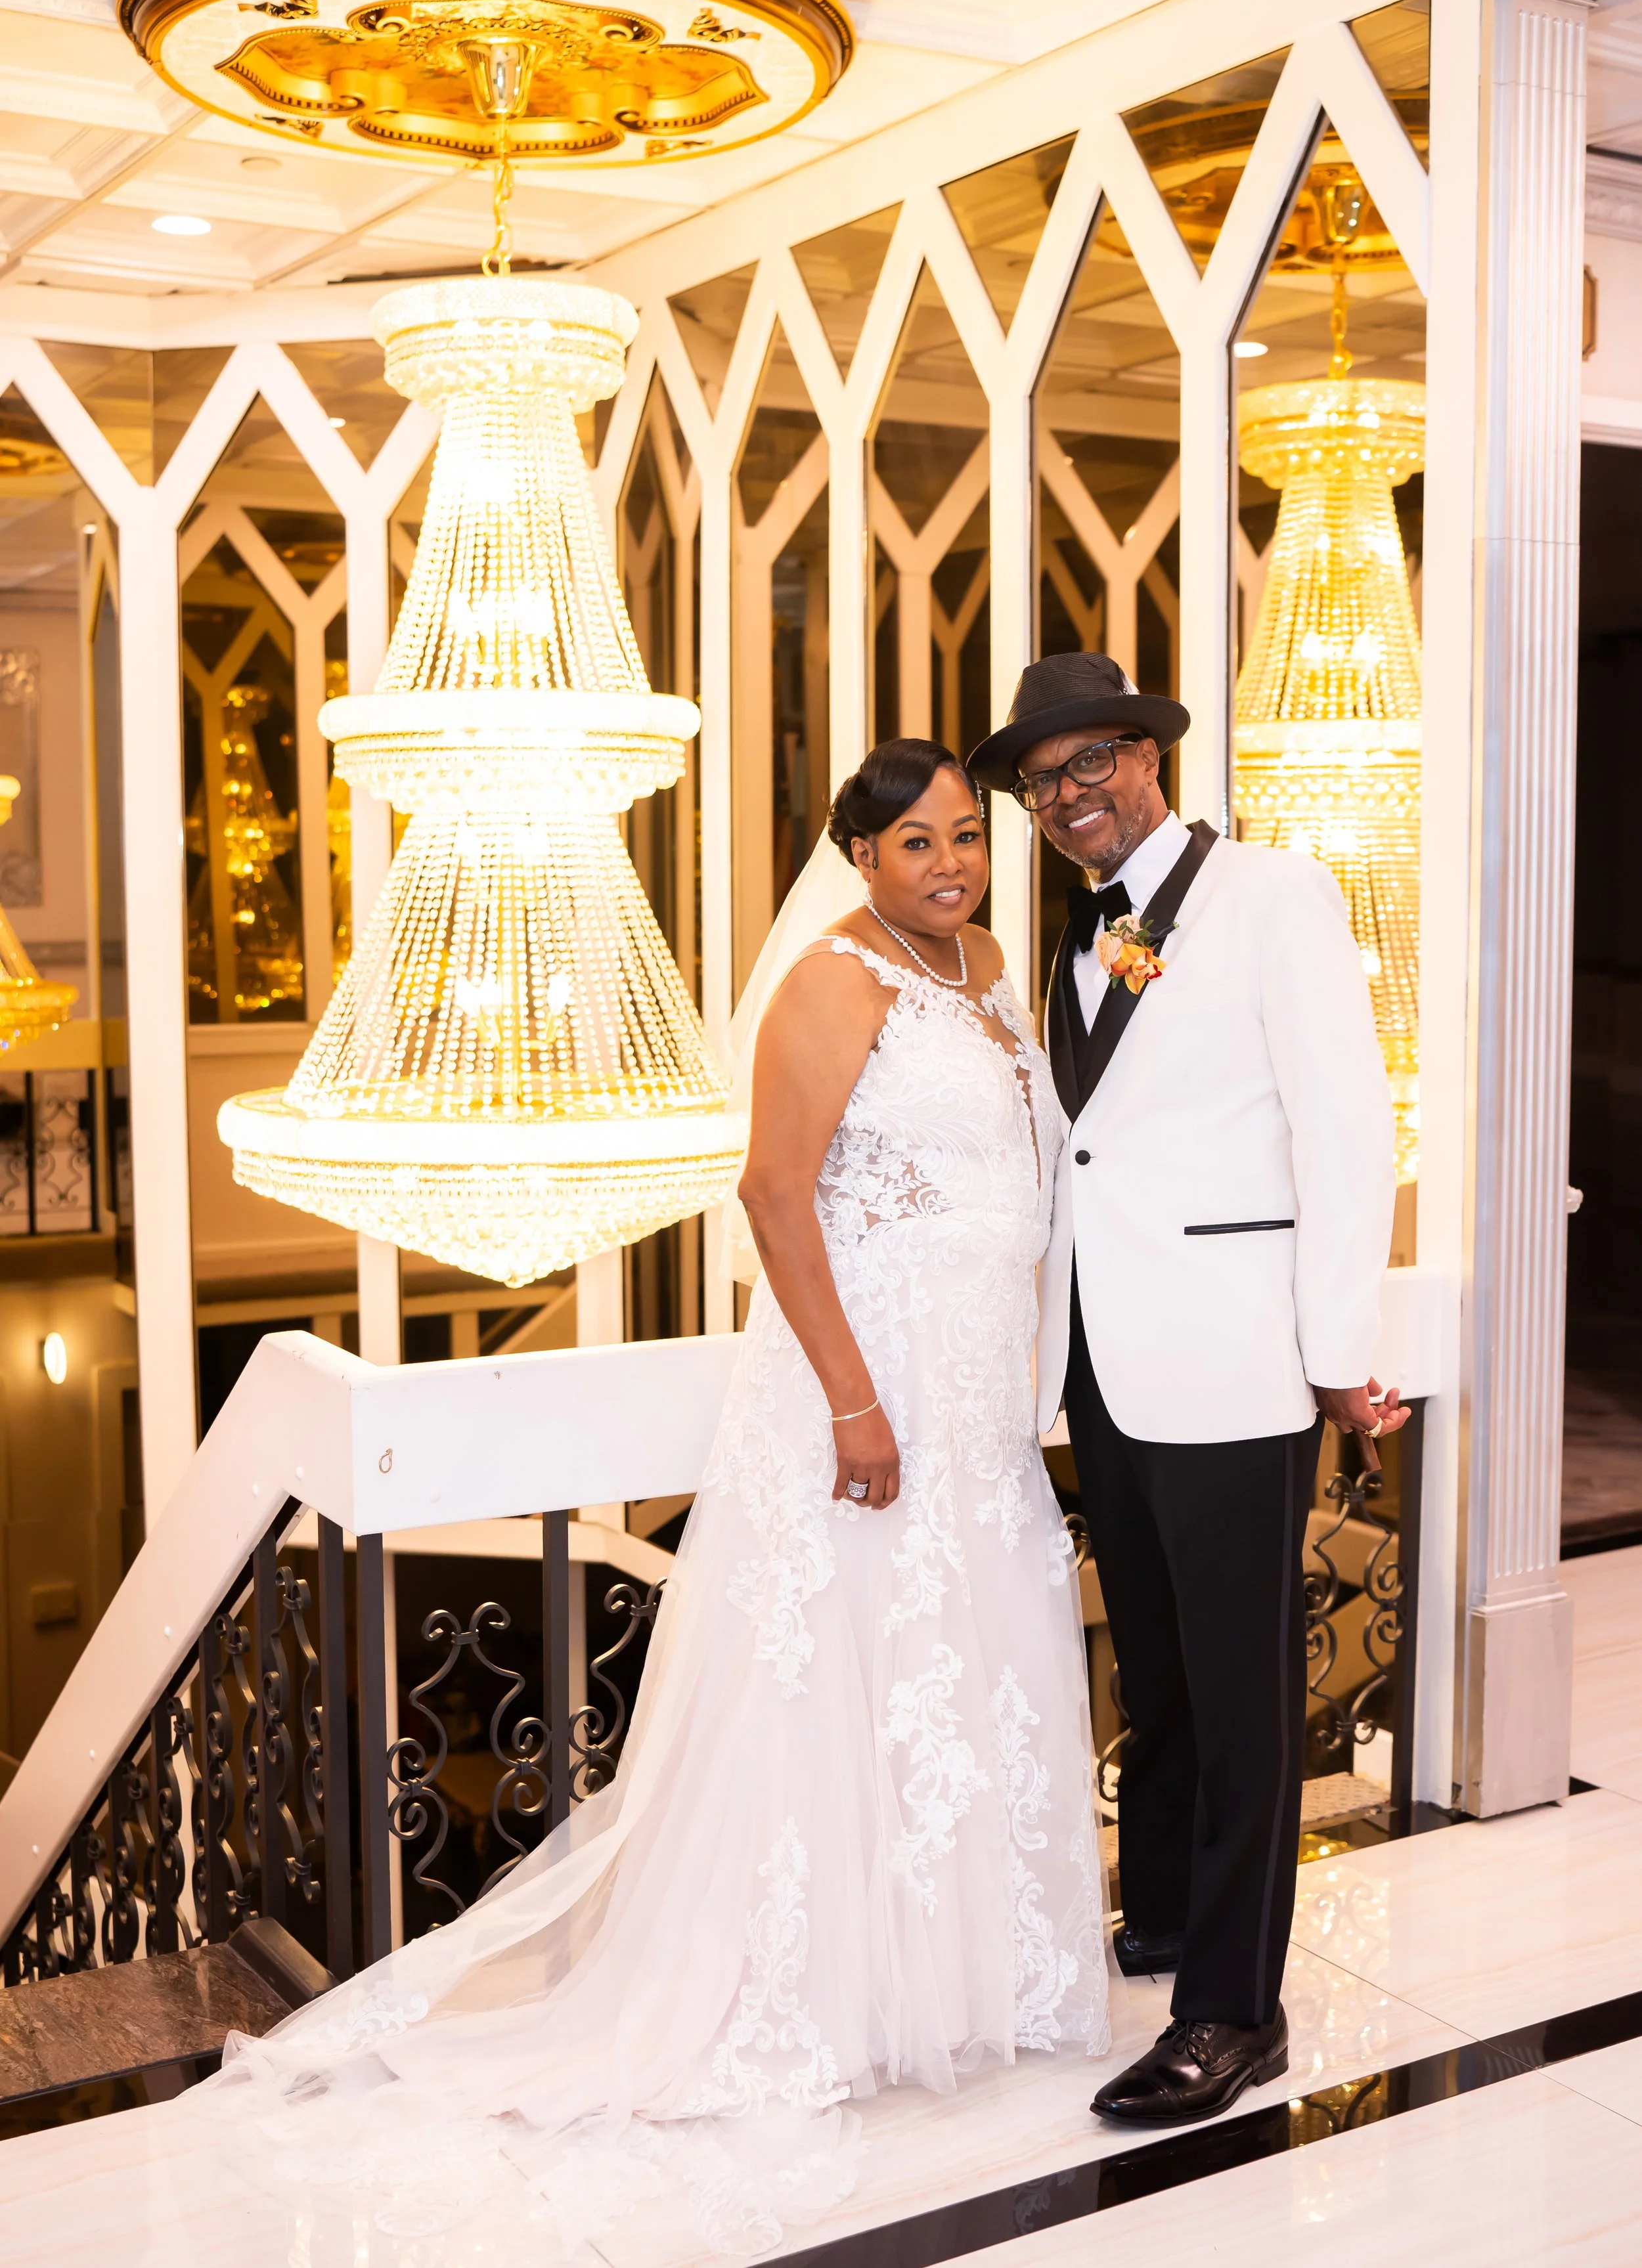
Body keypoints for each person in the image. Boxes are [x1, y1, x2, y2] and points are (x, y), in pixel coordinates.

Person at [143, 737, 1106, 2259]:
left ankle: (956, 1975)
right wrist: (858, 1402)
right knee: (832, 1687)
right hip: (871, 1398)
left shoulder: (990, 964)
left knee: (948, 1678)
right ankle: (815, 2000)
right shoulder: (833, 983)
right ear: (855, 858)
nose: (950, 864)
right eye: (915, 842)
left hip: (980, 1404)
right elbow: (778, 1198)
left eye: (965, 837)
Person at [968, 653, 1402, 2130]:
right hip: (1101, 1364)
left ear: (1149, 757)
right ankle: (1155, 1919)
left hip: (1233, 1363)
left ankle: (1232, 2012)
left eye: (1090, 763)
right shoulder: (1071, 944)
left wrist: (1336, 1349)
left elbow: (1346, 1126)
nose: (1067, 797)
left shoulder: (1272, 897)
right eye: (1039, 784)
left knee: (1235, 1702)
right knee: (1148, 1678)